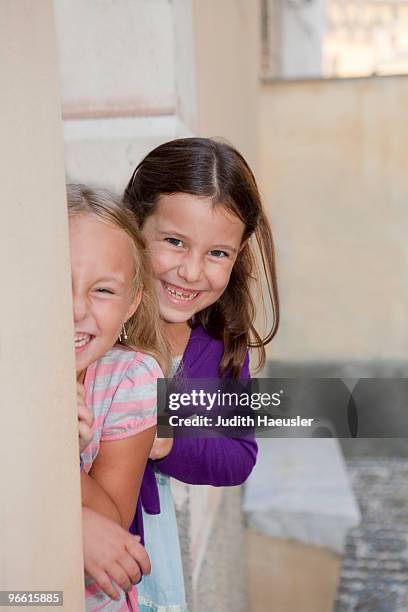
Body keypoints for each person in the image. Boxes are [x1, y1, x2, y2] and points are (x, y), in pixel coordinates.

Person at [122, 137, 279, 612]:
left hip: (154, 552)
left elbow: (239, 455)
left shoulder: (217, 343)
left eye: (217, 254)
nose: (191, 272)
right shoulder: (98, 326)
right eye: (174, 242)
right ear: (135, 227)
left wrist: (169, 441)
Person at [67, 184, 169, 611]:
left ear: (132, 304)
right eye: (57, 282)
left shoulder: (130, 380)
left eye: (103, 290)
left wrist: (62, 464)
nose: (75, 309)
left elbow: (112, 522)